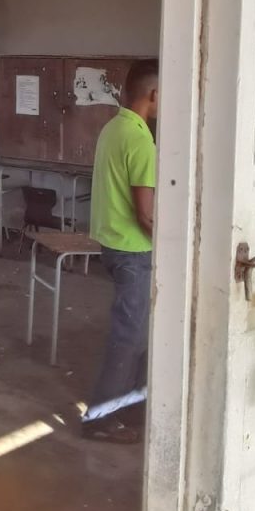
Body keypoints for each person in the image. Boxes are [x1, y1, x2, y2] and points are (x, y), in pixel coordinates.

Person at [81, 58, 159, 445]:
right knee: (128, 338)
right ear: (154, 94)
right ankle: (98, 417)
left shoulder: (113, 127)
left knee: (141, 335)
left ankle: (132, 407)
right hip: (134, 251)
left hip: (113, 246)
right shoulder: (141, 140)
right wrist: (177, 248)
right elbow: (146, 215)